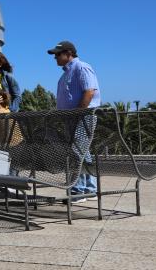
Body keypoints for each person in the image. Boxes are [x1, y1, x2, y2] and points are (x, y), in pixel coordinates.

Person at [48, 40, 101, 204]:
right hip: (71, 118)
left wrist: (78, 112)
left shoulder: (81, 67)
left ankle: (78, 191)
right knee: (83, 152)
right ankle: (90, 189)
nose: (55, 58)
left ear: (68, 53)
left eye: (57, 54)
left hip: (82, 117)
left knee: (76, 152)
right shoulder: (66, 73)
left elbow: (89, 91)